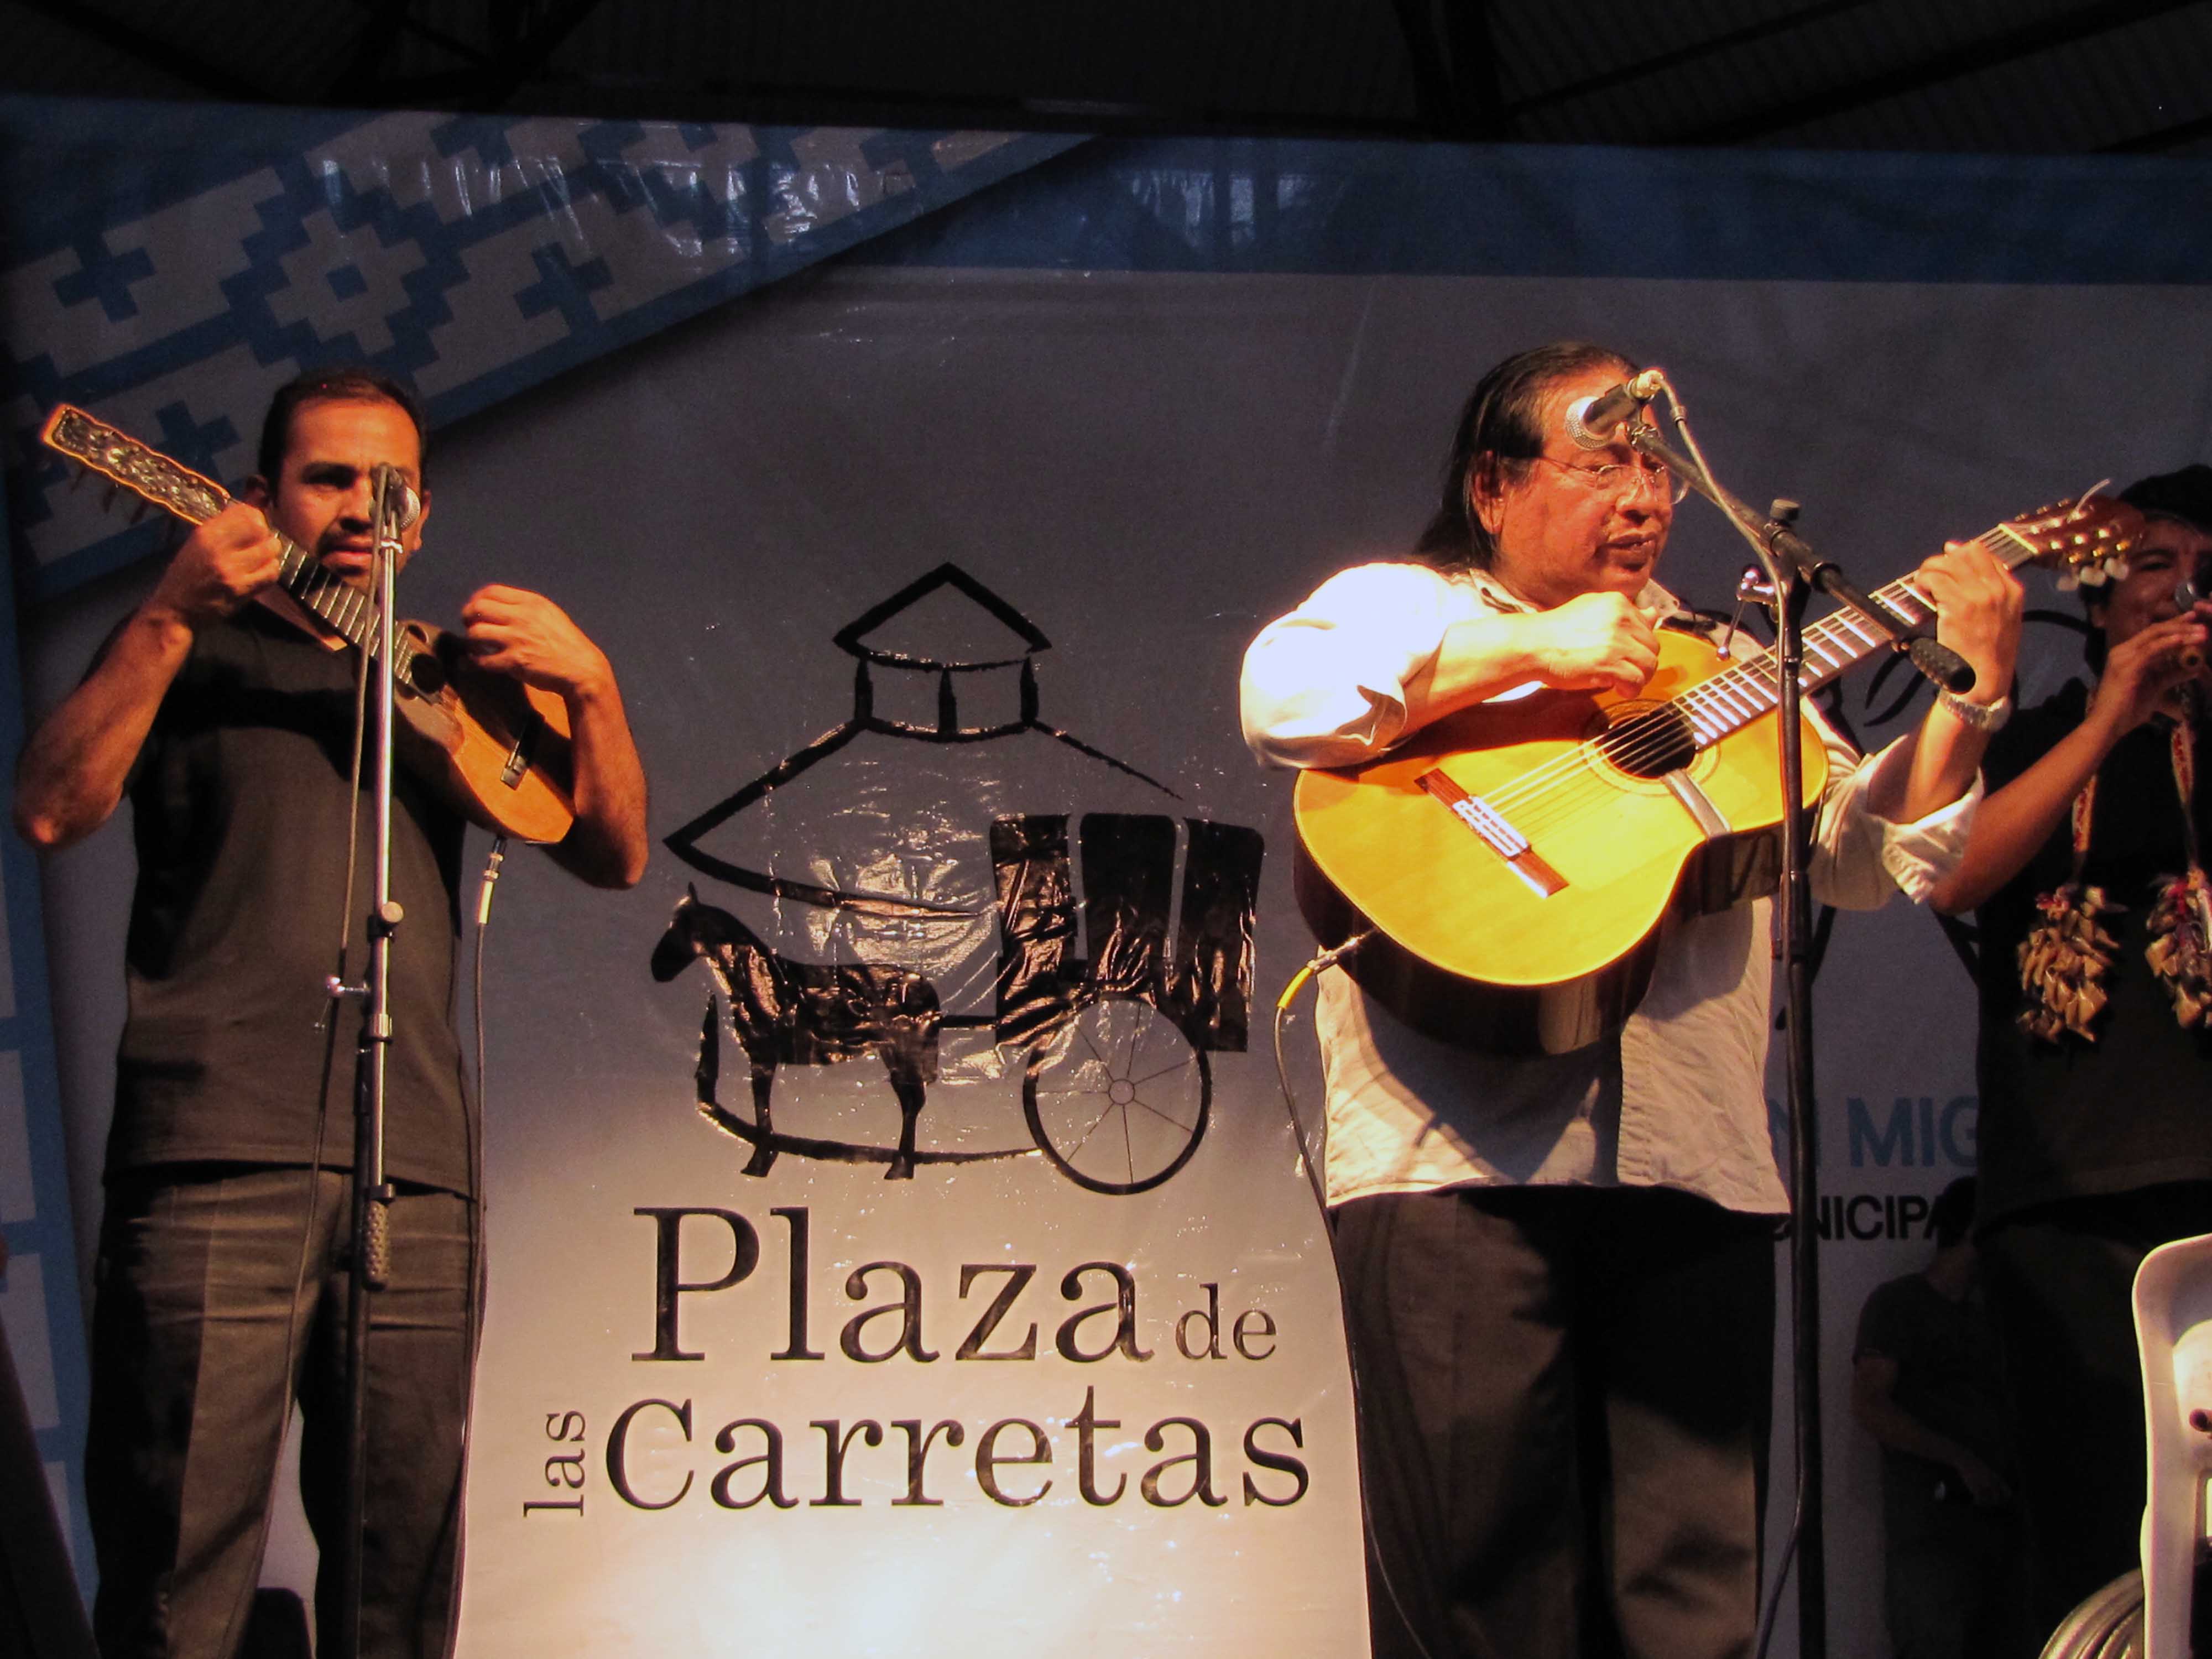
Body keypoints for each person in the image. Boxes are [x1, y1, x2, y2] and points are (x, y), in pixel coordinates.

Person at [1238, 340, 2022, 1659]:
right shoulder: (1409, 600)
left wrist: (1976, 693)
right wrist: (1528, 648)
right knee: (1482, 1604)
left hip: (1695, 1175)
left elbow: (1870, 858)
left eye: (1656, 467)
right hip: (1457, 1174)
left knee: (1690, 1606)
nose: (1642, 496)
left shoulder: (1725, 663)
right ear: (1494, 487)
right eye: (1600, 461)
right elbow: (1284, 698)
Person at [13, 366, 650, 1657]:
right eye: (330, 477)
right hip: (212, 1158)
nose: (367, 505)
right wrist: (167, 612)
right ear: (259, 496)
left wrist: (593, 688)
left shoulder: (447, 681)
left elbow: (613, 852)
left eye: (393, 485)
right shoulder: (191, 643)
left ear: (423, 516)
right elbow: (49, 806)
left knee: (398, 1566)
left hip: (411, 1165)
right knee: (175, 1563)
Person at [1928, 465, 2212, 1646]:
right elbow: (1952, 870)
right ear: (2096, 604)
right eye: (2157, 568)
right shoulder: (2044, 733)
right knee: (2093, 1539)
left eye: (2208, 578)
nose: (2186, 596)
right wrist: (2113, 718)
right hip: (2065, 1204)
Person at [1850, 1176, 2017, 1659]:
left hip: (2004, 1536)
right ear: (1973, 1231)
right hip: (1933, 1538)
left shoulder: (1996, 1316)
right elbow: (1870, 1405)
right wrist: (1960, 1459)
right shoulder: (1898, 1304)